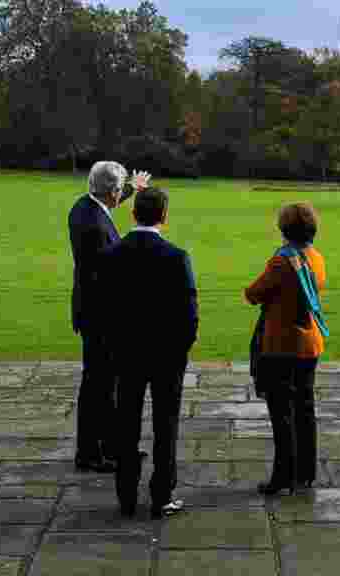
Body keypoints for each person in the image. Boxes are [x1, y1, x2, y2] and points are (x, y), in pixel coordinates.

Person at [98, 186, 198, 519]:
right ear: (164, 216)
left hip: (126, 354)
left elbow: (104, 311)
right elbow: (189, 315)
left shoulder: (112, 255)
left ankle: (126, 496)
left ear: (133, 213)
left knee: (126, 424)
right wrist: (179, 350)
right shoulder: (176, 257)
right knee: (165, 425)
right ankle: (161, 495)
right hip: (167, 355)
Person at [68, 161, 147, 473]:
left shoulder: (84, 206)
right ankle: (91, 453)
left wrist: (131, 190)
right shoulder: (96, 227)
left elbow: (106, 202)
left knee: (102, 384)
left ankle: (110, 447)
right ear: (111, 191)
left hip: (91, 311)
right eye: (120, 190)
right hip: (101, 316)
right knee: (100, 387)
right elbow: (110, 271)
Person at [245, 202, 328, 496]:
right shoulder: (316, 256)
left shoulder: (282, 261)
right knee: (305, 409)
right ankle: (305, 472)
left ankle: (283, 477)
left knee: (281, 413)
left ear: (284, 230)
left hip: (281, 346)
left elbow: (254, 293)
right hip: (310, 343)